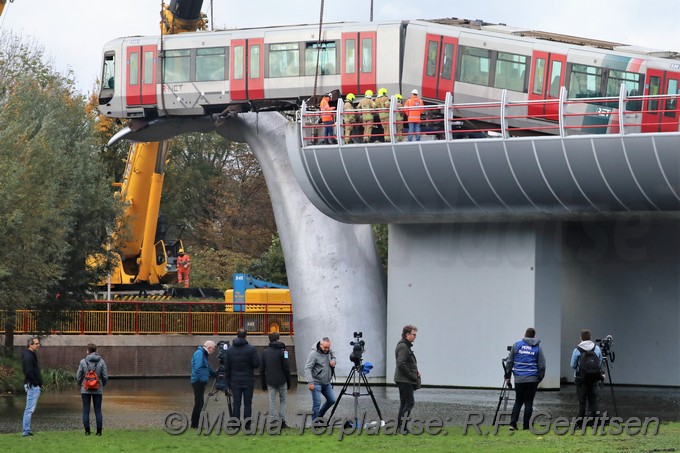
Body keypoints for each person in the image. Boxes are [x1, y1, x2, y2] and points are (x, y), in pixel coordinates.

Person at [504, 327, 546, 431]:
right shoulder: (537, 348)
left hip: (519, 378)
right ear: (534, 336)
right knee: (529, 402)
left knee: (518, 401)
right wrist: (539, 378)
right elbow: (542, 366)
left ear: (524, 335)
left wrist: (507, 376)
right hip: (532, 379)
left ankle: (513, 424)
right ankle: (526, 426)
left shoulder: (517, 345)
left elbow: (509, 362)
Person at [225, 329, 261, 429]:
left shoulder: (230, 350)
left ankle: (235, 424)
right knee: (247, 404)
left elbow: (227, 367)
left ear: (237, 335)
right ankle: (247, 425)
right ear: (246, 336)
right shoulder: (251, 349)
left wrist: (227, 381)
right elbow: (256, 364)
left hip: (235, 381)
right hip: (248, 380)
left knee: (236, 403)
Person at [570, 329, 603, 427]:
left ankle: (579, 423)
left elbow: (572, 365)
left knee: (582, 401)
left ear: (581, 338)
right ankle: (595, 423)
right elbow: (600, 363)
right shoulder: (596, 348)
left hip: (581, 379)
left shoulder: (577, 349)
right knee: (593, 401)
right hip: (593, 379)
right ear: (590, 338)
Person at [76, 343, 109, 436]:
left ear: (88, 351)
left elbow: (78, 376)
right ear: (96, 351)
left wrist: (81, 384)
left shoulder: (83, 362)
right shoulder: (101, 361)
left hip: (85, 389)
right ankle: (99, 432)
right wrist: (102, 384)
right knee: (98, 410)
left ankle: (87, 431)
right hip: (98, 389)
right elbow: (105, 376)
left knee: (86, 410)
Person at [260, 332, 291, 427]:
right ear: (278, 339)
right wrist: (289, 381)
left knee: (272, 400)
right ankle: (282, 421)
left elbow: (262, 369)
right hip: (282, 379)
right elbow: (287, 367)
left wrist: (263, 383)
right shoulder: (283, 351)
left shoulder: (264, 352)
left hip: (270, 380)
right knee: (283, 400)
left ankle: (273, 421)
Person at [394, 325, 420, 432]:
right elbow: (401, 363)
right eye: (413, 334)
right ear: (407, 334)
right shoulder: (403, 346)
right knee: (409, 402)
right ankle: (402, 427)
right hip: (404, 380)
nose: (415, 337)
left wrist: (415, 371)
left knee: (404, 402)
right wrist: (411, 375)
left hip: (403, 379)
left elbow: (405, 363)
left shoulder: (405, 345)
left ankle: (400, 426)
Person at [304, 337, 336, 421]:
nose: (327, 349)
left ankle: (320, 416)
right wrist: (310, 382)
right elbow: (307, 368)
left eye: (328, 347)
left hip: (327, 382)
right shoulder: (313, 354)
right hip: (316, 382)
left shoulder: (329, 350)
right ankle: (315, 423)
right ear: (320, 345)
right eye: (325, 347)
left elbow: (334, 357)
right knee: (317, 403)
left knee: (332, 400)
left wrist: (333, 361)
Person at [190, 340, 217, 429]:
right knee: (199, 403)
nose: (213, 351)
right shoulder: (199, 354)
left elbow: (207, 368)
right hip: (198, 381)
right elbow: (198, 368)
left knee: (199, 403)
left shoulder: (203, 354)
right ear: (209, 348)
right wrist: (202, 379)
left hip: (199, 381)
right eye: (213, 349)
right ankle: (194, 424)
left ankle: (195, 424)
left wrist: (215, 374)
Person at [22, 337, 42, 437]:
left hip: (33, 385)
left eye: (38, 343)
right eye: (36, 343)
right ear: (30, 344)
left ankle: (26, 430)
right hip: (32, 385)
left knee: (29, 409)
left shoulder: (30, 354)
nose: (38, 345)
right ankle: (26, 431)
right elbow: (28, 371)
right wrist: (35, 383)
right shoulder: (28, 356)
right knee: (29, 409)